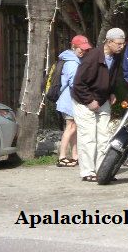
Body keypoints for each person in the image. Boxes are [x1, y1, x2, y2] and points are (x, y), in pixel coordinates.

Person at [72, 28, 125, 182]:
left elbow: (112, 77)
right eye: (119, 43)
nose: (121, 46)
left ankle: (103, 170)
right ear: (108, 42)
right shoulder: (92, 57)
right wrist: (89, 100)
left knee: (104, 136)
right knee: (88, 137)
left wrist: (111, 92)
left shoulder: (116, 57)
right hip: (83, 101)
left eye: (123, 43)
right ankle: (87, 171)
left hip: (102, 99)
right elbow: (78, 84)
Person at [55, 35, 92, 167]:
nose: (83, 51)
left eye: (85, 49)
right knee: (70, 127)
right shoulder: (72, 62)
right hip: (69, 100)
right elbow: (74, 83)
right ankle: (62, 157)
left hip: (71, 99)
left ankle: (75, 155)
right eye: (80, 49)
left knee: (74, 128)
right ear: (73, 47)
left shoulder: (74, 59)